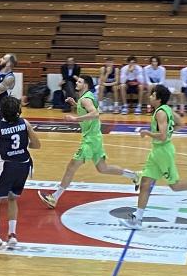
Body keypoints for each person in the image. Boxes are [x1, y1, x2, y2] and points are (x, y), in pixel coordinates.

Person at [118, 85, 187, 230]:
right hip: (157, 151)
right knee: (144, 184)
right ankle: (137, 219)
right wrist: (169, 132)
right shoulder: (167, 109)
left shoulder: (161, 113)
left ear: (158, 98)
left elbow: (162, 137)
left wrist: (147, 133)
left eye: (152, 95)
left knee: (175, 186)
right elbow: (181, 123)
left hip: (163, 152)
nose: (149, 97)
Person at [38, 76, 138, 209]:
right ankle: (135, 175)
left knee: (71, 167)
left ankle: (54, 197)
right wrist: (75, 104)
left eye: (79, 81)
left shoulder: (85, 99)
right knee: (103, 168)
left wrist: (75, 119)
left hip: (90, 140)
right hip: (95, 138)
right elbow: (87, 109)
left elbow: (95, 113)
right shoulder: (85, 97)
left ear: (85, 85)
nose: (76, 83)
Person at [0, 96, 41, 253]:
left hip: (8, 166)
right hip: (24, 165)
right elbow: (37, 144)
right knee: (12, 198)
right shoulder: (25, 123)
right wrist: (24, 144)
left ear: (1, 111)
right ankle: (12, 235)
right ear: (18, 110)